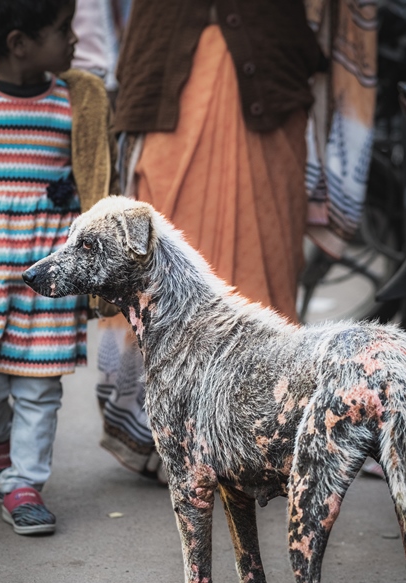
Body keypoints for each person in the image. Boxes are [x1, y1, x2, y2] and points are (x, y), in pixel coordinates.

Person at [95, 0, 321, 483]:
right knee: (163, 251)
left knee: (264, 251)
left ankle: (256, 437)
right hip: (166, 78)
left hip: (268, 74)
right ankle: (170, 436)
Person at [0, 0, 118, 535]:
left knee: (40, 386)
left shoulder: (74, 99)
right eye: (61, 31)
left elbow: (92, 172)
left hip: (46, 273)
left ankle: (25, 484)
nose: (74, 40)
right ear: (20, 42)